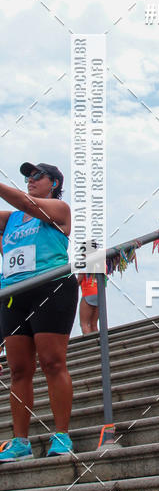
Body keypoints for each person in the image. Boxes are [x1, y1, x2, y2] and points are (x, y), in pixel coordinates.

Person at [0, 162, 78, 461]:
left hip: (52, 286)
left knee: (52, 361)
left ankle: (61, 434)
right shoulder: (11, 219)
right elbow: (18, 205)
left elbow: (25, 201)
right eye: (26, 177)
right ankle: (21, 442)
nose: (30, 180)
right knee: (19, 369)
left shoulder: (59, 209)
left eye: (37, 176)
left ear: (54, 183)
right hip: (14, 293)